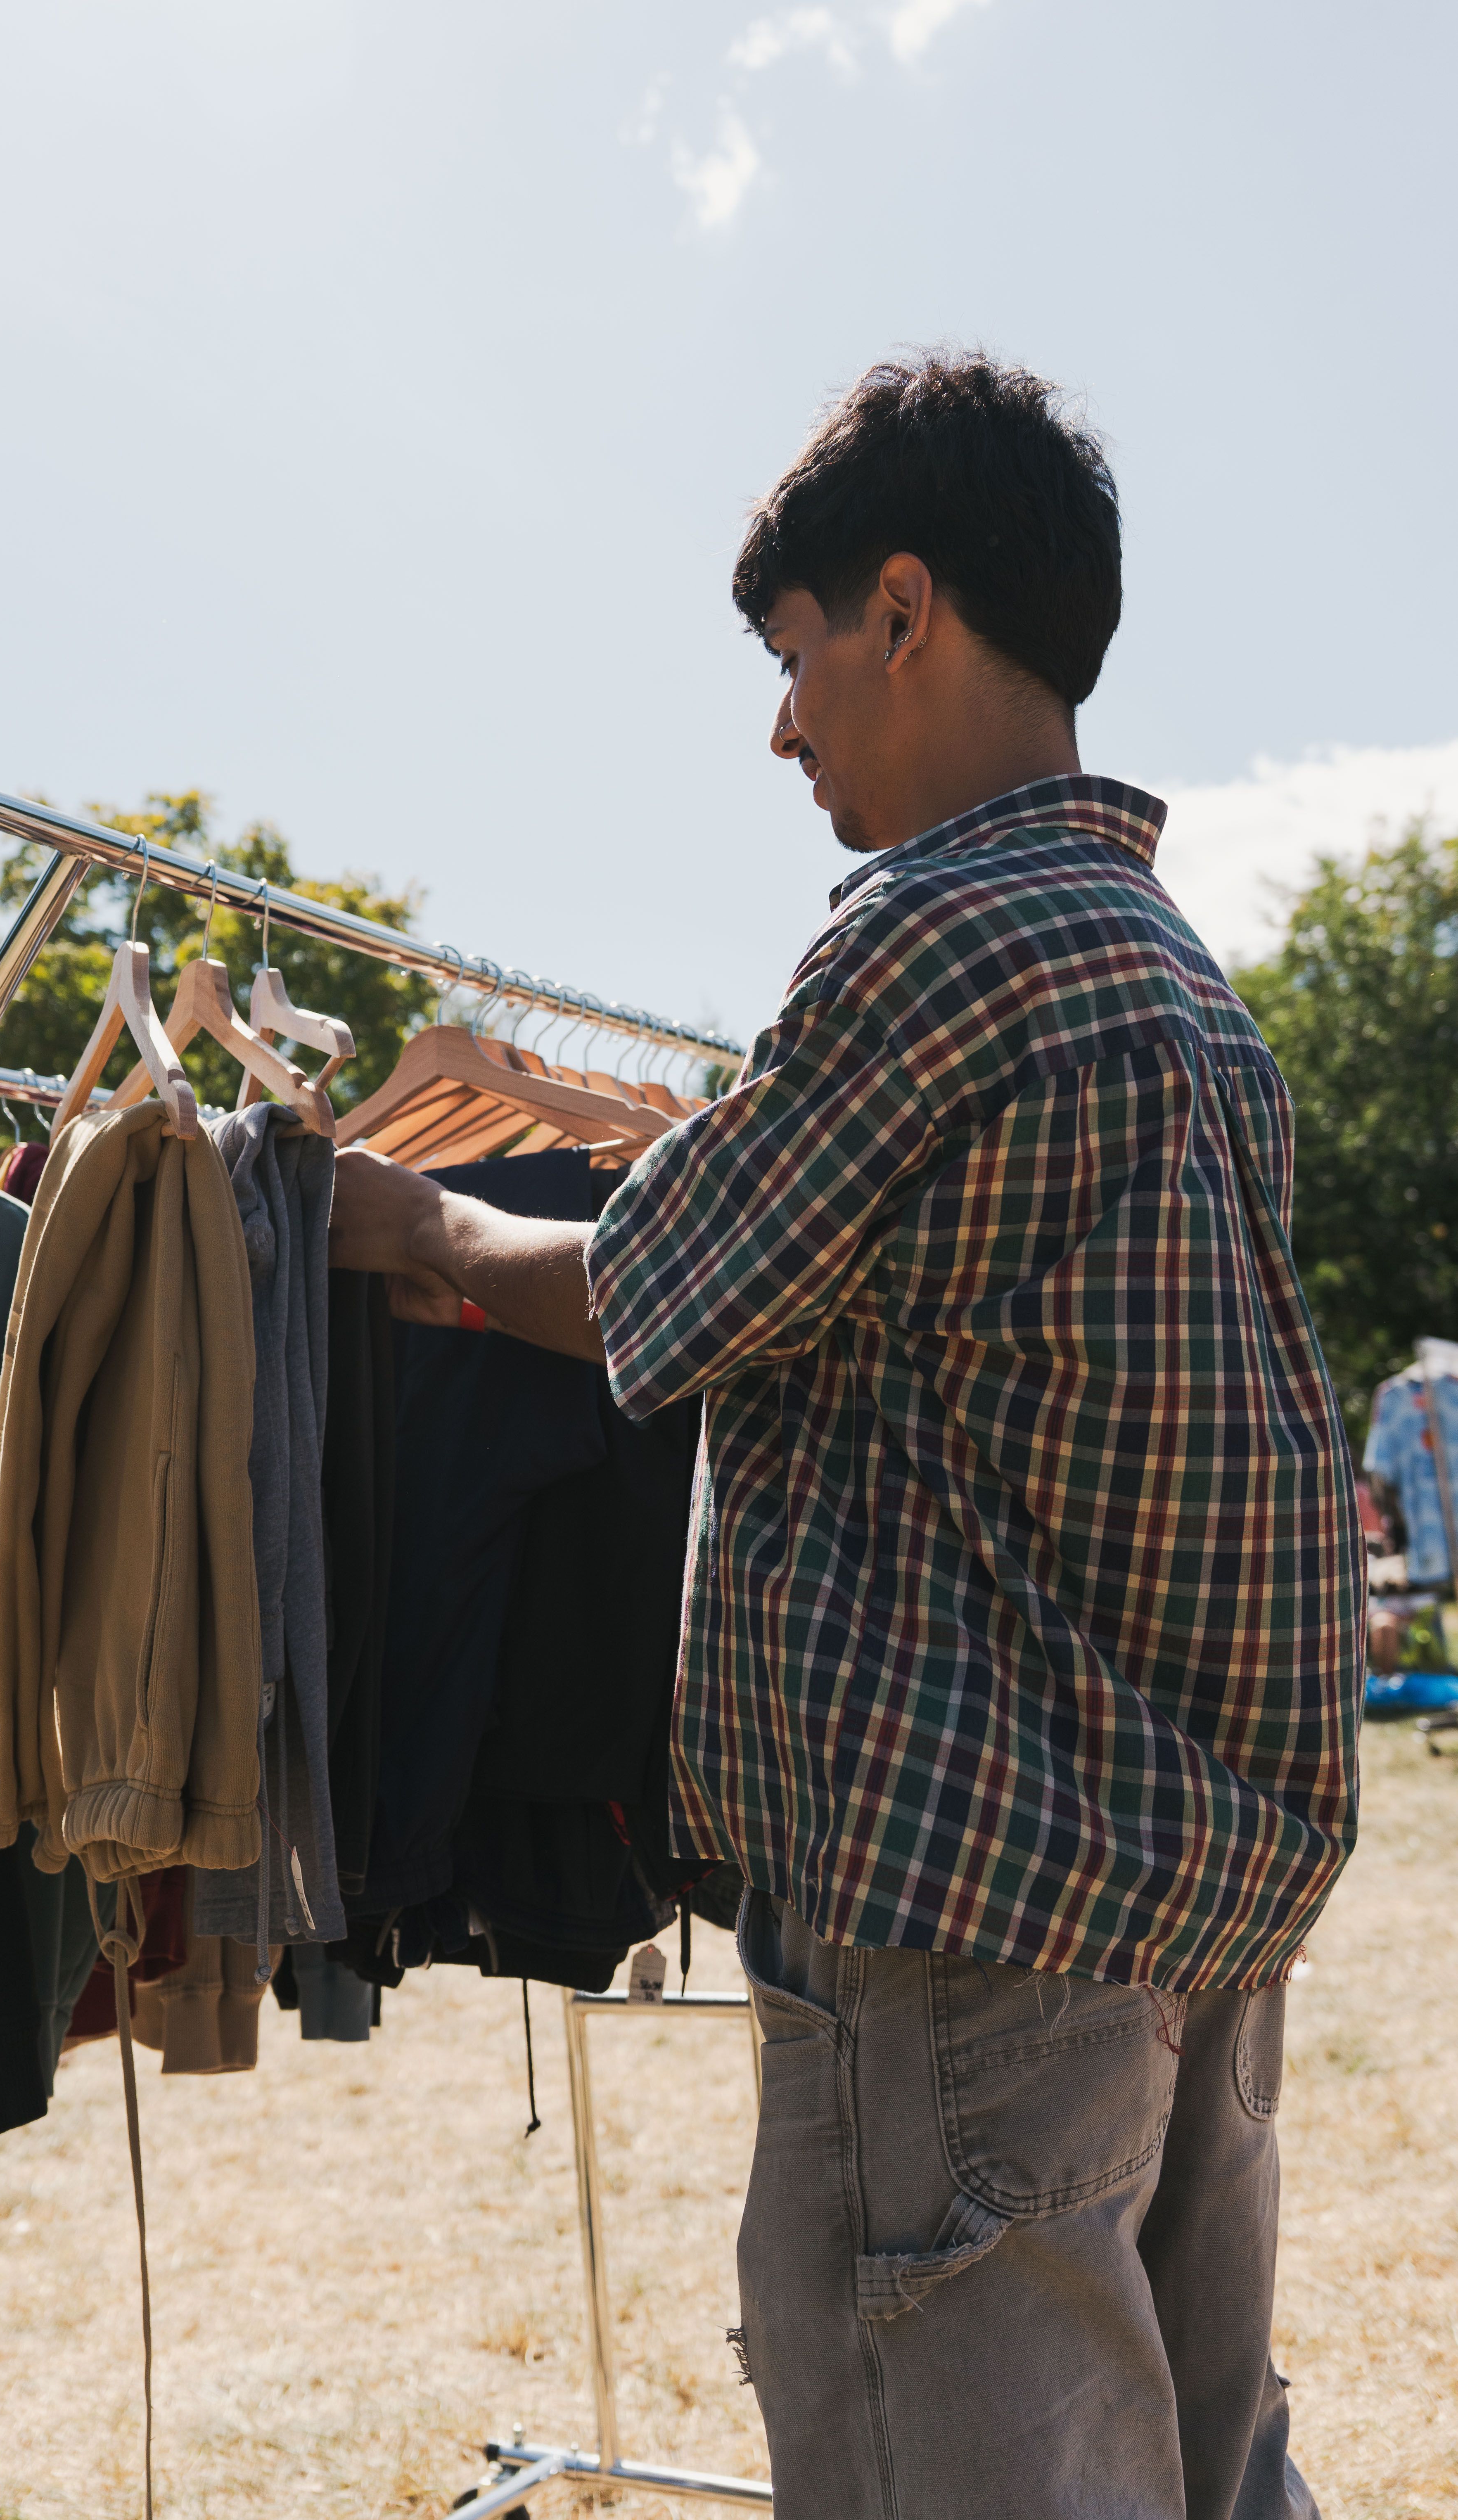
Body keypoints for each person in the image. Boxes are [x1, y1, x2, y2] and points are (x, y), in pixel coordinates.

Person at [327, 350, 1363, 2520]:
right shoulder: (1184, 987)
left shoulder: (931, 944)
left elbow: (639, 1281)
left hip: (976, 1921)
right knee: (1200, 2448)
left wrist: (389, 1209)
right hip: (1192, 1902)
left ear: (902, 609)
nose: (781, 721)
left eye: (794, 655)